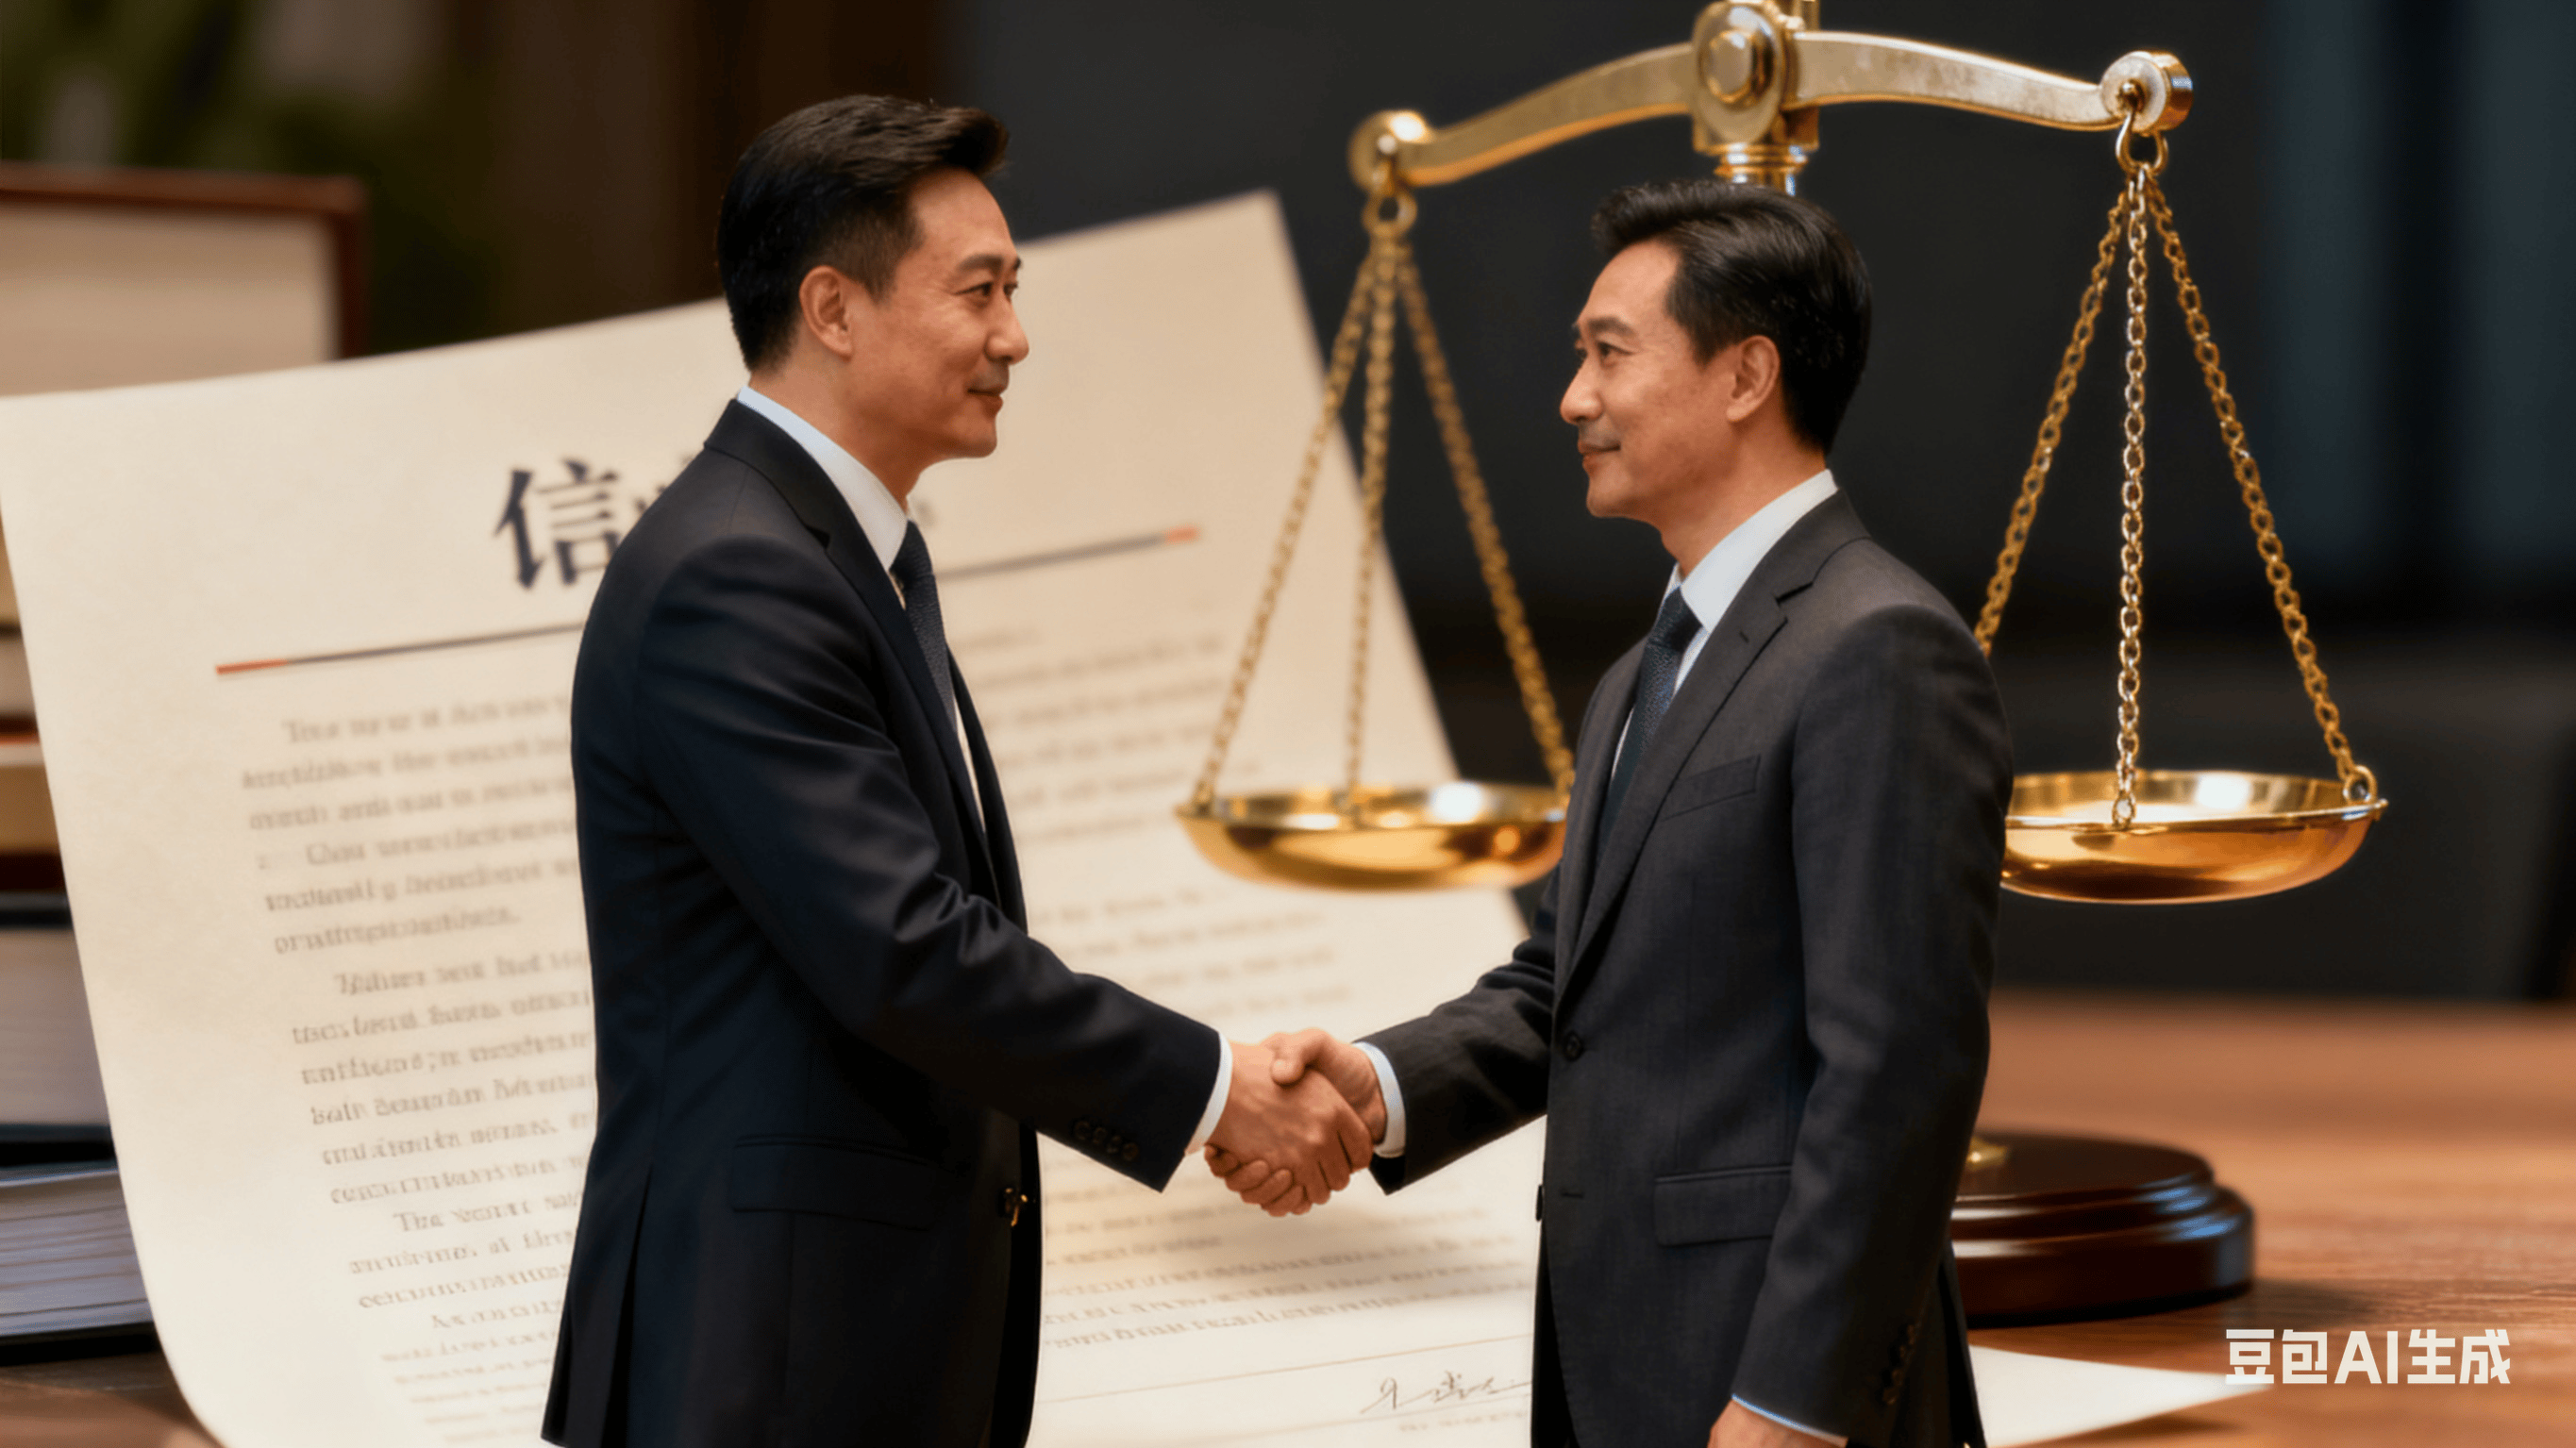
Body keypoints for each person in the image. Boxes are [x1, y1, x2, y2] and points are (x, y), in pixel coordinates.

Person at [542, 95, 1370, 1448]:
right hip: (762, 1349)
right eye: (978, 291)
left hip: (840, 1331)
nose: (1014, 336)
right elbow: (906, 950)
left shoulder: (839, 549)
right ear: (833, 307)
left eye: (1013, 290)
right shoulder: (737, 570)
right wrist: (1219, 1088)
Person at [1213, 180, 2010, 1448]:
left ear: (1746, 375)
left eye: (1608, 353)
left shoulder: (1879, 646)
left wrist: (1795, 1400)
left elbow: (1898, 1071)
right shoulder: (1640, 675)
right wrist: (1375, 1087)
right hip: (1615, 1358)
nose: (1572, 398)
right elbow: (1565, 993)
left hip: (1765, 1380)